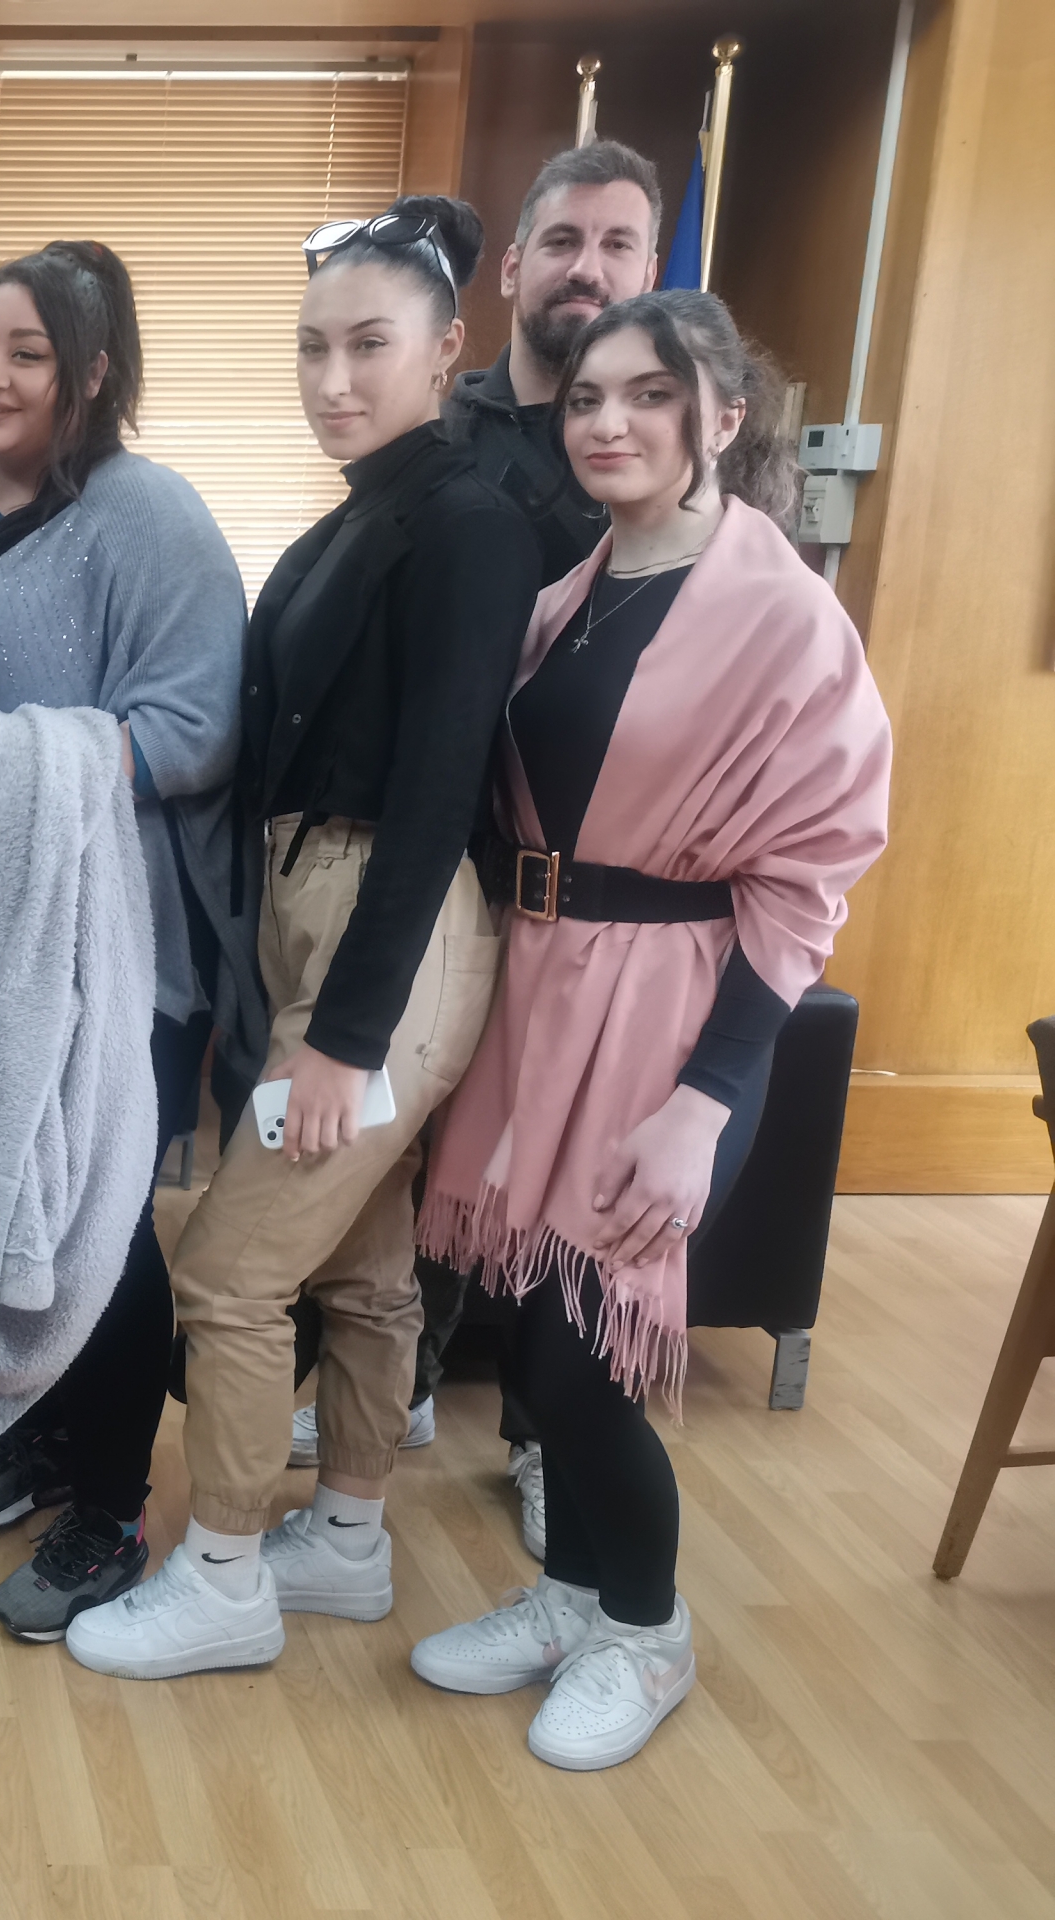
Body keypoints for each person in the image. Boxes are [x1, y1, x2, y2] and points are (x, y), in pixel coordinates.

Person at [407, 290, 890, 1769]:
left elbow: (808, 875)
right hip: (548, 986)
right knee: (533, 1325)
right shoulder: (575, 591)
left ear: (721, 419)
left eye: (650, 395)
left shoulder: (779, 612)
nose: (607, 422)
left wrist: (707, 1098)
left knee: (584, 1351)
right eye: (586, 398)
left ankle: (648, 1629)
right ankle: (573, 1599)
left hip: (675, 1012)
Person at [65, 195, 539, 1680]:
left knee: (226, 1270)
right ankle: (344, 1540)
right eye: (313, 348)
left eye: (369, 346)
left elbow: (439, 792)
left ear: (447, 349)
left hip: (386, 933)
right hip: (309, 914)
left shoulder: (468, 521)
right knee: (363, 1264)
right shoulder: (359, 515)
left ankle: (220, 1575)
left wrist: (343, 1034)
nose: (334, 379)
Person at [0, 240, 257, 1641]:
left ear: (91, 374)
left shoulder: (148, 516)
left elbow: (195, 726)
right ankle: (49, 1439)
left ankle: (112, 1507)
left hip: (101, 940)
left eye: (28, 353)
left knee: (96, 1220)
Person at [289, 145, 670, 1531]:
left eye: (618, 246)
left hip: (598, 891)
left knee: (557, 1178)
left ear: (649, 271)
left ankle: (547, 1442)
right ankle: (389, 1394)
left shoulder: (648, 444)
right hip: (446, 861)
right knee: (416, 1168)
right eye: (562, 240)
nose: (587, 268)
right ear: (507, 273)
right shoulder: (434, 441)